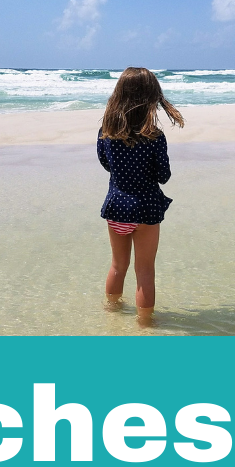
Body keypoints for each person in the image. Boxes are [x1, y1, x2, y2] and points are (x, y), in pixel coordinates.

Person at [97, 67, 184, 319]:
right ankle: (145, 326)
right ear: (150, 98)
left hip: (116, 207)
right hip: (145, 209)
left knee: (117, 266)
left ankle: (113, 318)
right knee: (145, 271)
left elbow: (105, 163)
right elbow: (163, 176)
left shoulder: (106, 132)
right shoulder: (155, 137)